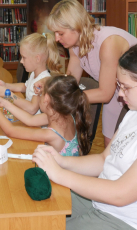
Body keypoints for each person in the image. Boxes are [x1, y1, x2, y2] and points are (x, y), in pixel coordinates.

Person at [32, 45, 137, 229]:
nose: (120, 94)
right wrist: (61, 161)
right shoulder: (132, 113)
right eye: (119, 85)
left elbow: (120, 194)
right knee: (38, 212)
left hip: (122, 219)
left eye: (126, 87)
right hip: (101, 202)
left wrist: (60, 174)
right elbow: (104, 159)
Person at [42, 0, 137, 146]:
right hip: (119, 92)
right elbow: (70, 82)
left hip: (129, 91)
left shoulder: (108, 43)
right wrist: (51, 89)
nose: (56, 38)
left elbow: (105, 93)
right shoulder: (74, 45)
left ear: (76, 27)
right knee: (110, 145)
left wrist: (64, 99)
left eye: (60, 33)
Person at [0, 75, 91, 156]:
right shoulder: (64, 115)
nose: (38, 97)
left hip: (61, 183)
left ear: (46, 99)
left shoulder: (51, 134)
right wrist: (5, 103)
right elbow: (30, 120)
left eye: (40, 95)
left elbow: (11, 131)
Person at [0, 32, 60, 115]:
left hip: (36, 125)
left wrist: (8, 94)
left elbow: (32, 108)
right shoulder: (35, 73)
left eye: (24, 57)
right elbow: (25, 86)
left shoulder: (42, 82)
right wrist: (6, 85)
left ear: (37, 59)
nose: (21, 61)